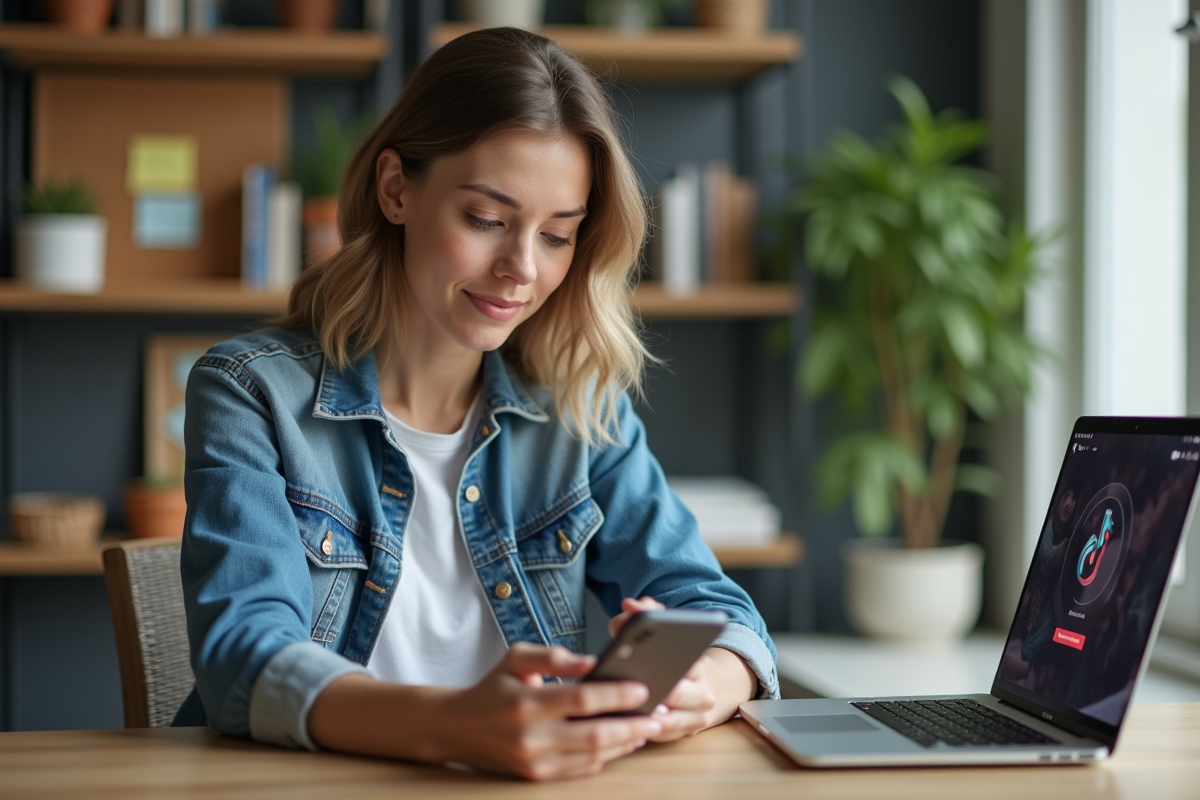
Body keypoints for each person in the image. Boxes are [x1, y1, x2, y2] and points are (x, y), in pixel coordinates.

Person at [173, 26, 779, 781]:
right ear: (397, 189)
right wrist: (456, 725)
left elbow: (712, 606)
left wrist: (707, 682)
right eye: (486, 220)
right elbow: (243, 658)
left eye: (558, 236)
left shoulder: (579, 407)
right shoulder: (250, 391)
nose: (520, 269)